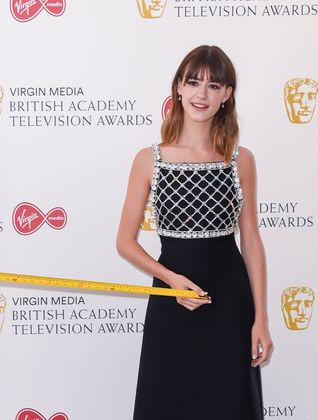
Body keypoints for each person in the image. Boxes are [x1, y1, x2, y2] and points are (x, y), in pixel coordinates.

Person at [116, 45, 273, 420]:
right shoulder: (149, 159)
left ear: (227, 95)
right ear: (179, 89)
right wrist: (170, 280)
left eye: (214, 85)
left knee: (229, 405)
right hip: (171, 302)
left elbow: (250, 242)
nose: (202, 94)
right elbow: (124, 241)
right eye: (194, 82)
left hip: (231, 306)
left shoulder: (241, 159)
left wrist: (261, 320)